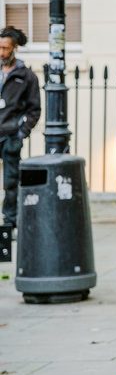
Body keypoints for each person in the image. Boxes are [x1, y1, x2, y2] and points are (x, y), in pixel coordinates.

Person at [0, 26, 41, 230]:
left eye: (6, 48)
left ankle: (10, 221)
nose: (1, 52)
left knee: (10, 181)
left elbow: (35, 109)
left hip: (10, 136)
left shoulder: (26, 76)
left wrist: (21, 132)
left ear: (14, 48)